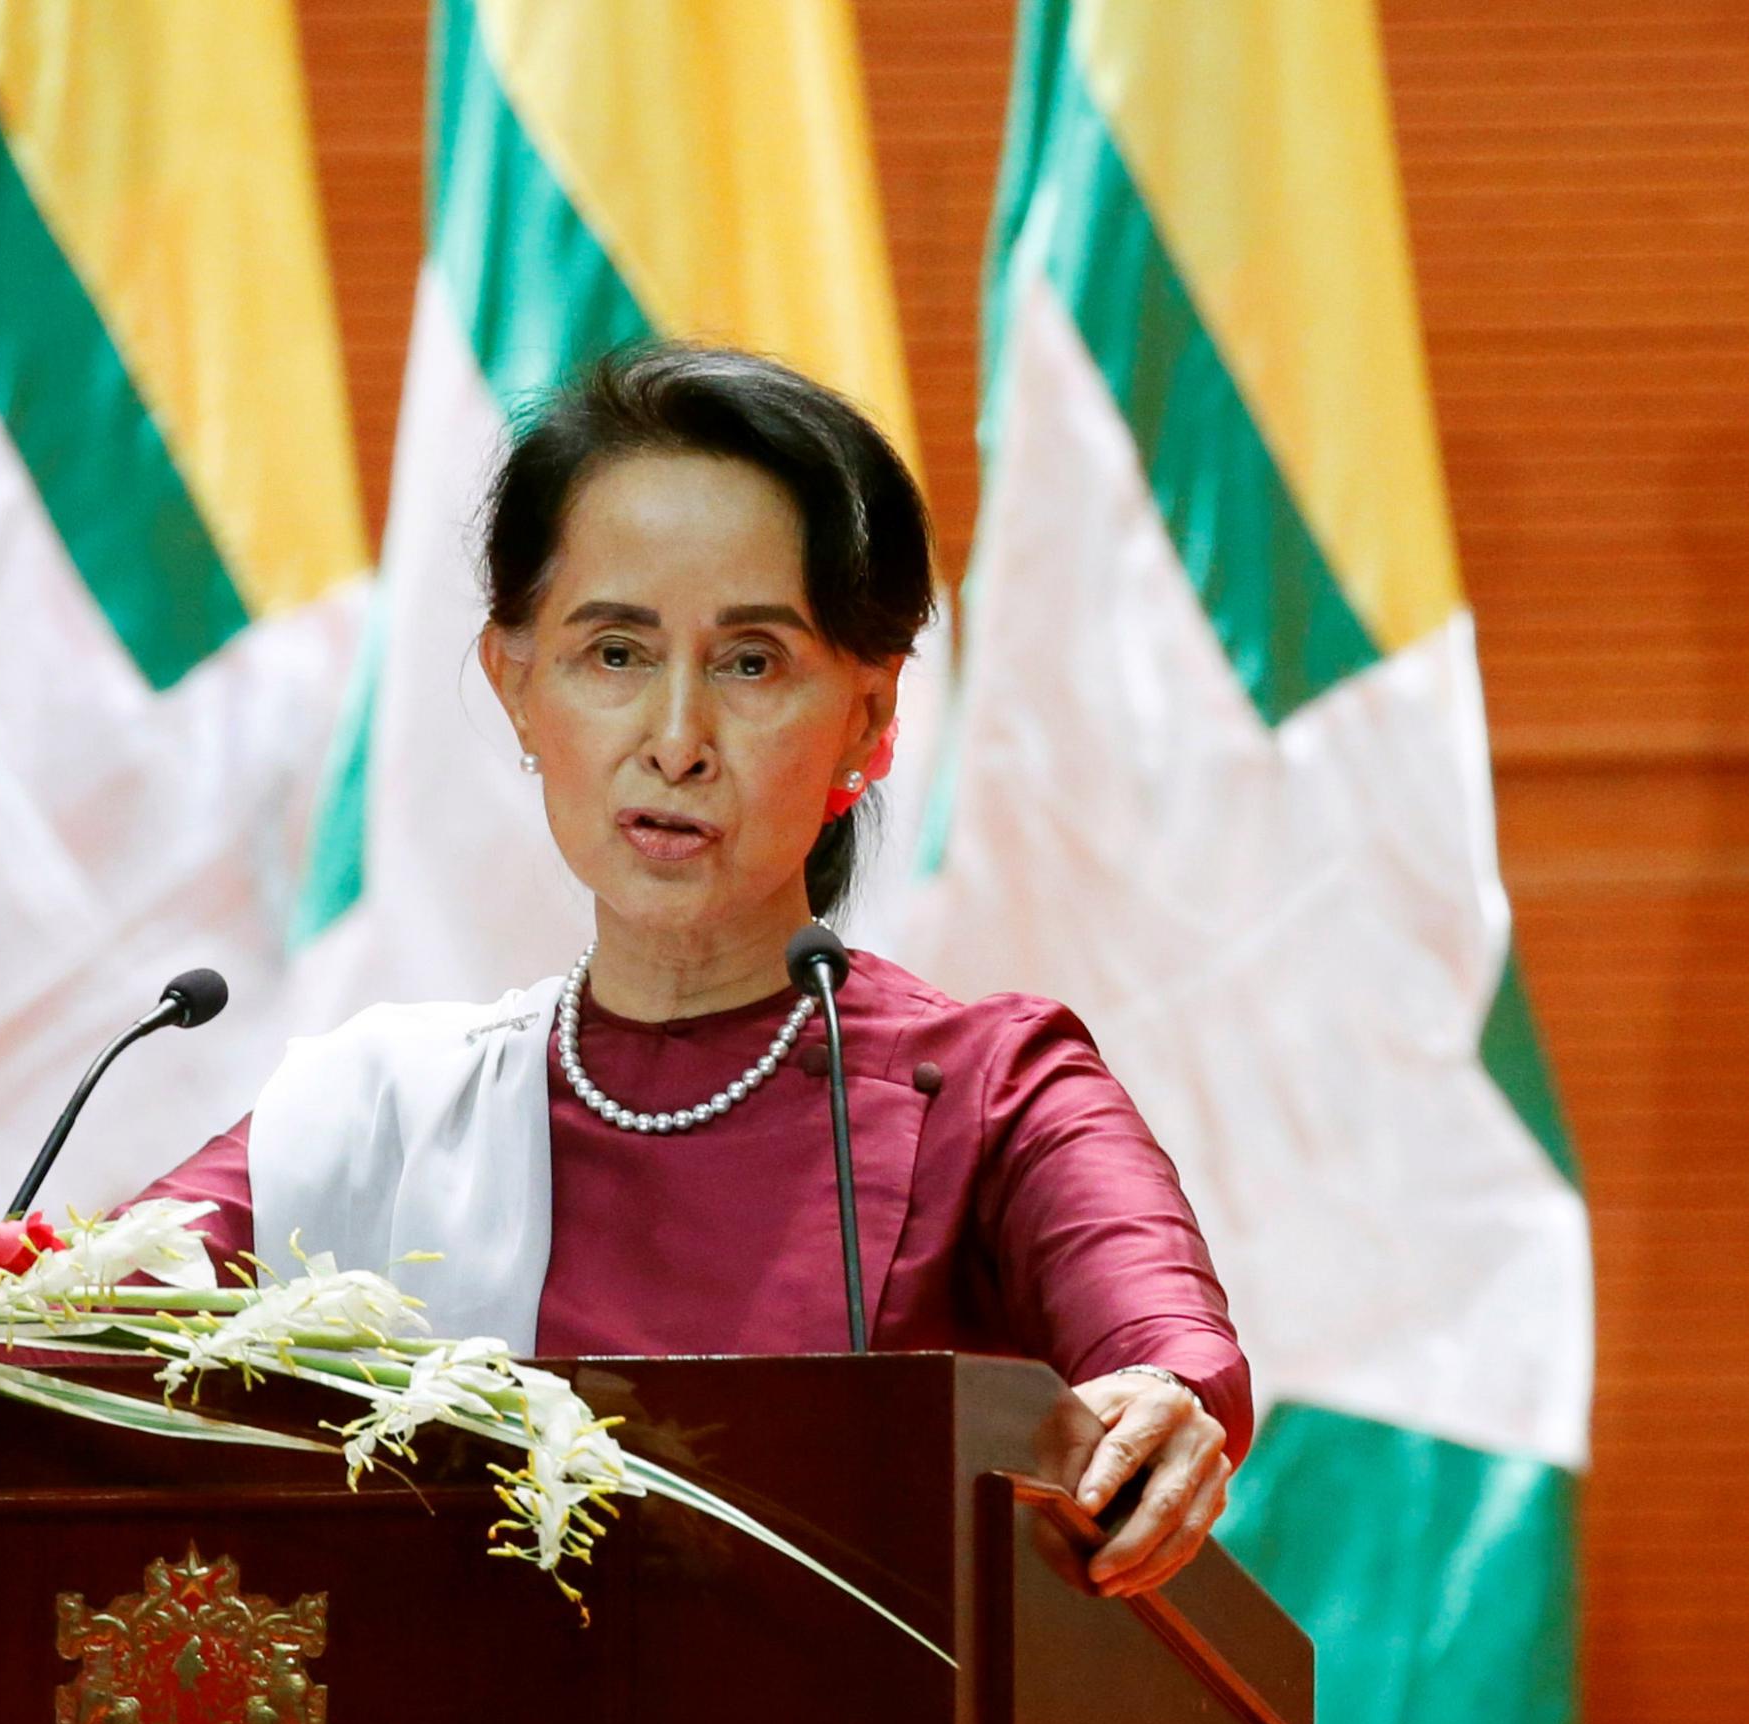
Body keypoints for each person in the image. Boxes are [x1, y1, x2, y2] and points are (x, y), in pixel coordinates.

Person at [131, 345, 1246, 1600]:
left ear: (869, 719)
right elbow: (78, 1321)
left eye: (750, 662)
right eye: (614, 653)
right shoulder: (389, 1109)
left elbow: (1162, 1338)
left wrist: (1160, 1398)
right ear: (515, 683)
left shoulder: (989, 1088)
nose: (675, 742)